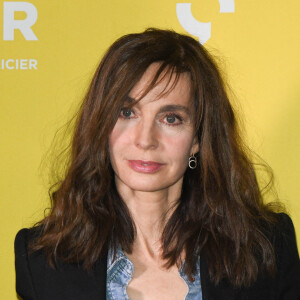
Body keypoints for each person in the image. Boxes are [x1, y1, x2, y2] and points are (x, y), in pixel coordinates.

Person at [15, 28, 300, 300]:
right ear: (102, 126)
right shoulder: (42, 262)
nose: (146, 140)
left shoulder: (267, 249)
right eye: (127, 113)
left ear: (197, 139)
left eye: (171, 118)